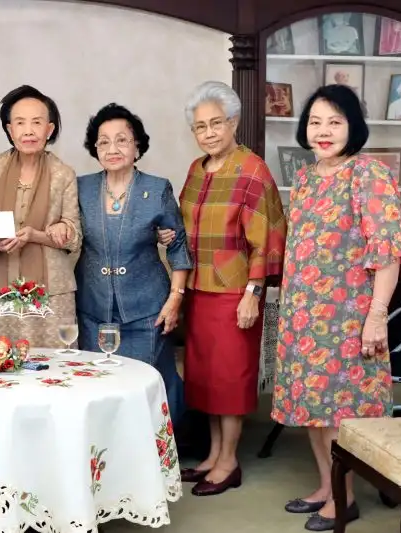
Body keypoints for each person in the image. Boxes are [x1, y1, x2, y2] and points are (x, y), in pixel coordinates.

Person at [271, 84, 401, 531]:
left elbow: (387, 254)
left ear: (353, 127)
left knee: (340, 412)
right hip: (303, 316)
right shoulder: (307, 177)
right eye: (315, 122)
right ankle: (326, 485)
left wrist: (377, 316)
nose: (324, 131)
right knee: (313, 408)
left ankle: (345, 497)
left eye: (335, 122)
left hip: (347, 319)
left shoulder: (368, 174)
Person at [173, 81, 286, 496]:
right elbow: (183, 225)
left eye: (216, 123)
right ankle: (213, 455)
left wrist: (253, 294)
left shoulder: (252, 170)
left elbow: (267, 238)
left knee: (230, 379)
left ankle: (229, 462)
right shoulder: (195, 169)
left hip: (236, 292)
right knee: (206, 377)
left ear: (233, 122)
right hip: (199, 289)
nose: (209, 133)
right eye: (200, 127)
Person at [76, 103, 193, 425]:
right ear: (95, 148)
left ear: (137, 146)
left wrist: (175, 299)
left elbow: (178, 245)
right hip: (93, 310)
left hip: (146, 311)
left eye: (122, 140)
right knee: (98, 392)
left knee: (146, 393)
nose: (112, 149)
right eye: (103, 142)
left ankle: (155, 452)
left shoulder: (156, 189)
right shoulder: (81, 188)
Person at [0, 85, 81, 347]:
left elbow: (74, 236)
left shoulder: (64, 174)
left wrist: (38, 234)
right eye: (20, 123)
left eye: (36, 122)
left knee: (54, 365)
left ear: (49, 129)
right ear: (10, 130)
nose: (28, 131)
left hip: (52, 292)